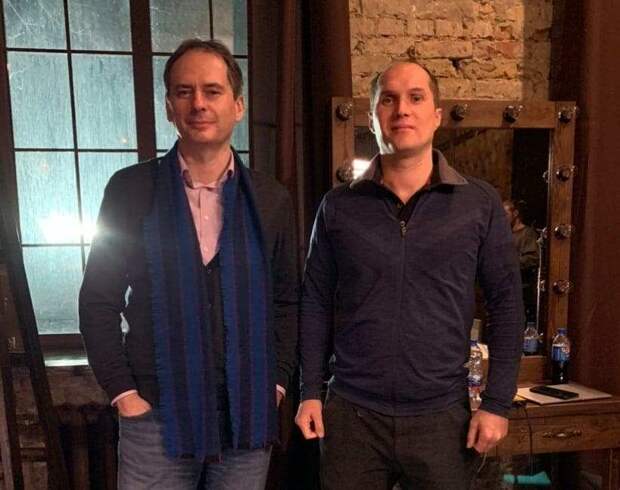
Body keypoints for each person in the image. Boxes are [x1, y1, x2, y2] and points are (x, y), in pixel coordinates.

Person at [79, 39, 298, 489]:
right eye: (184, 92)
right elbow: (99, 298)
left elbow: (286, 301)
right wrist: (124, 392)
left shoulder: (270, 198)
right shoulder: (130, 190)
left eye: (212, 91)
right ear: (169, 107)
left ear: (238, 105)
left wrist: (276, 382)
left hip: (246, 412)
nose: (198, 103)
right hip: (154, 414)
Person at [295, 60, 524, 490]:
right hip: (352, 416)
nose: (402, 109)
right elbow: (315, 301)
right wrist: (309, 391)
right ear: (372, 118)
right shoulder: (338, 206)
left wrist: (497, 403)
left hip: (442, 419)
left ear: (436, 115)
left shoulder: (478, 204)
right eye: (388, 99)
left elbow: (507, 304)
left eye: (416, 98)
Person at [503, 199, 540, 322]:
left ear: (515, 213)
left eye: (505, 214)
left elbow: (533, 258)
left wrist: (509, 263)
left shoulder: (527, 234)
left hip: (522, 289)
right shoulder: (505, 234)